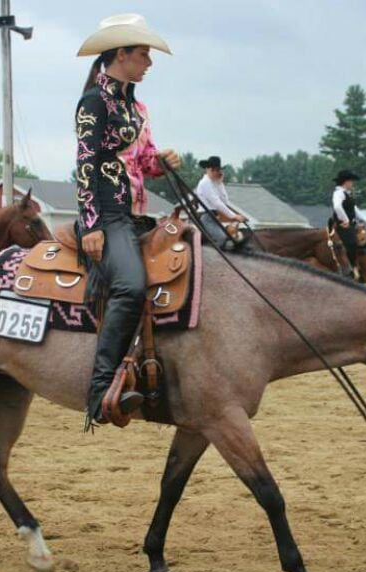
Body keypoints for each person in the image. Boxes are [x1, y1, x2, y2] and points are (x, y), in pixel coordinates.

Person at [75, 14, 182, 426]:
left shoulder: (136, 107)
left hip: (135, 214)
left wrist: (162, 160)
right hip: (107, 214)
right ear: (121, 55)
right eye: (143, 55)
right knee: (131, 285)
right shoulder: (94, 103)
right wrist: (93, 224)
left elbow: (142, 161)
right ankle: (100, 391)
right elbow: (85, 164)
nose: (148, 63)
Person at [196, 156, 247, 240]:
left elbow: (224, 201)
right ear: (208, 169)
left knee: (231, 237)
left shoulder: (214, 184)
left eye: (218, 170)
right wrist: (234, 216)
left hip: (214, 217)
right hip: (206, 217)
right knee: (222, 238)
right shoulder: (205, 183)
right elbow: (216, 203)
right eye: (215, 170)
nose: (217, 172)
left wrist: (220, 184)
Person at [331, 169, 366, 279]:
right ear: (345, 182)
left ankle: (361, 266)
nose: (352, 184)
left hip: (351, 225)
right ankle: (352, 268)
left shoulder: (346, 194)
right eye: (351, 181)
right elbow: (337, 207)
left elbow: (356, 210)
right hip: (341, 225)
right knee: (351, 243)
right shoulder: (338, 193)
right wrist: (346, 220)